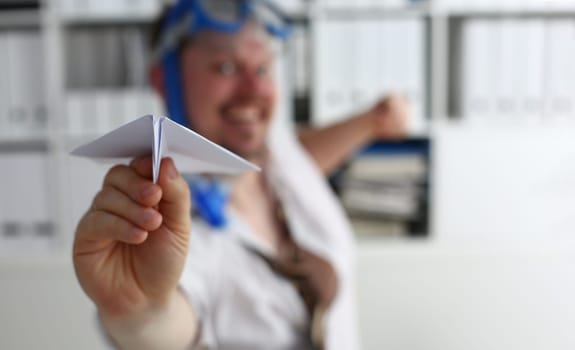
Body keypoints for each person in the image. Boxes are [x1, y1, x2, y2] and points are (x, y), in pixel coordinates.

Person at [72, 0, 409, 349]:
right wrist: (139, 314)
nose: (254, 90)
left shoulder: (273, 153)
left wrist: (370, 122)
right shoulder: (161, 221)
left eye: (263, 69)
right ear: (165, 79)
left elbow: (303, 154)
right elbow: (167, 323)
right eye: (226, 67)